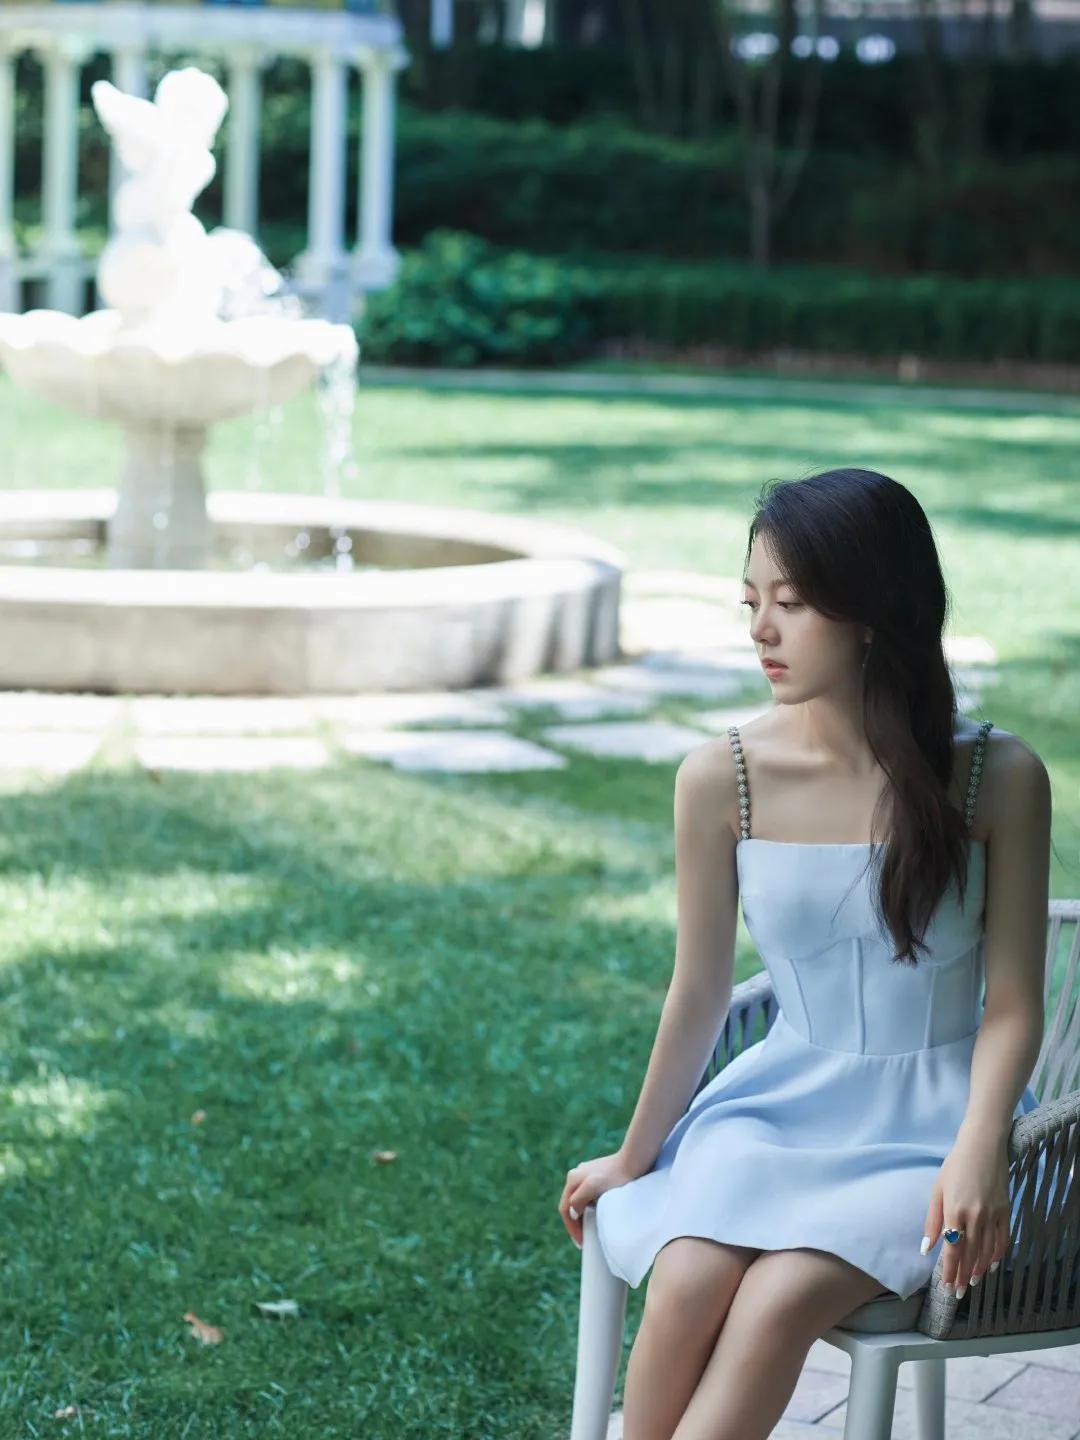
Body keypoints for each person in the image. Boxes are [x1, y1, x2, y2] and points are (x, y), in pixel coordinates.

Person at [556, 468, 1053, 1440]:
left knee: (778, 1299)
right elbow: (698, 991)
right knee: (686, 1277)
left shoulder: (997, 777)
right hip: (776, 1108)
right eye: (750, 602)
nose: (761, 631)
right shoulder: (722, 777)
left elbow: (1013, 1004)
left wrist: (981, 1145)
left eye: (791, 603)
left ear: (873, 611)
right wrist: (634, 1155)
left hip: (932, 1127)